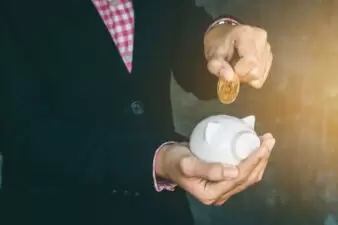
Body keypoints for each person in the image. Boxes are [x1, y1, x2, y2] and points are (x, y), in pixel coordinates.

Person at [0, 0, 275, 224]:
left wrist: (226, 36)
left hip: (160, 213)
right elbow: (21, 133)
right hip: (54, 212)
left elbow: (193, 54)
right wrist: (155, 162)